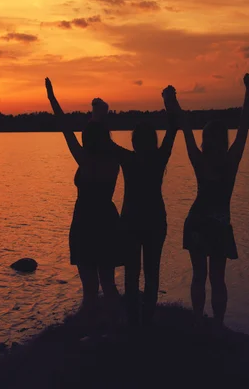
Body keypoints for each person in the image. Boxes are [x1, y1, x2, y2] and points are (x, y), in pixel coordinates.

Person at [165, 73, 249, 328]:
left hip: (197, 222)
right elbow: (244, 125)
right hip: (218, 224)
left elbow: (184, 127)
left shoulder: (200, 160)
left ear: (206, 140)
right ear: (223, 139)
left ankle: (196, 321)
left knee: (199, 276)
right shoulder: (231, 160)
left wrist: (173, 101)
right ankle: (217, 324)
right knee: (217, 278)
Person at [44, 78, 122, 327]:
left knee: (91, 289)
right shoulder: (114, 159)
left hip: (86, 222)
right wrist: (100, 116)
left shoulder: (85, 159)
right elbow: (97, 136)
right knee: (108, 284)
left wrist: (53, 99)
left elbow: (64, 126)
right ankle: (114, 328)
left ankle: (90, 329)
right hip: (107, 220)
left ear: (87, 139)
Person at [105, 88, 178, 327]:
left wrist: (100, 115)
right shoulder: (158, 159)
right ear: (152, 141)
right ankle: (145, 320)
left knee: (132, 274)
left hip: (131, 224)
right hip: (155, 222)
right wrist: (169, 102)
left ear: (135, 141)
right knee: (151, 273)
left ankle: (133, 321)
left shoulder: (129, 159)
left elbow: (106, 141)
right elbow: (174, 127)